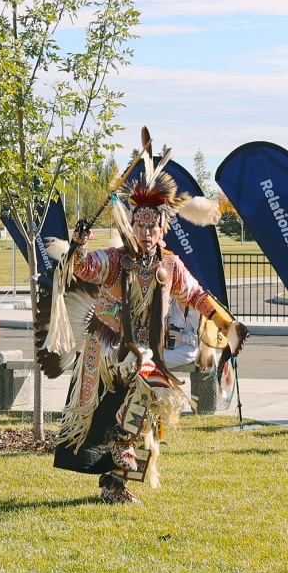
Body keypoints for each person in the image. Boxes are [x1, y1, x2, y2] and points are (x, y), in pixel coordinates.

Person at [49, 153, 243, 503]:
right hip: (107, 345)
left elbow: (197, 295)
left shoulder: (170, 264)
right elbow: (82, 269)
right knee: (146, 377)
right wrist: (78, 244)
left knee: (151, 402)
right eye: (140, 225)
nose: (146, 232)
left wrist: (226, 324)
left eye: (152, 226)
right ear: (131, 225)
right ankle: (121, 440)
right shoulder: (113, 259)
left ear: (162, 228)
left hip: (142, 349)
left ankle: (115, 486)